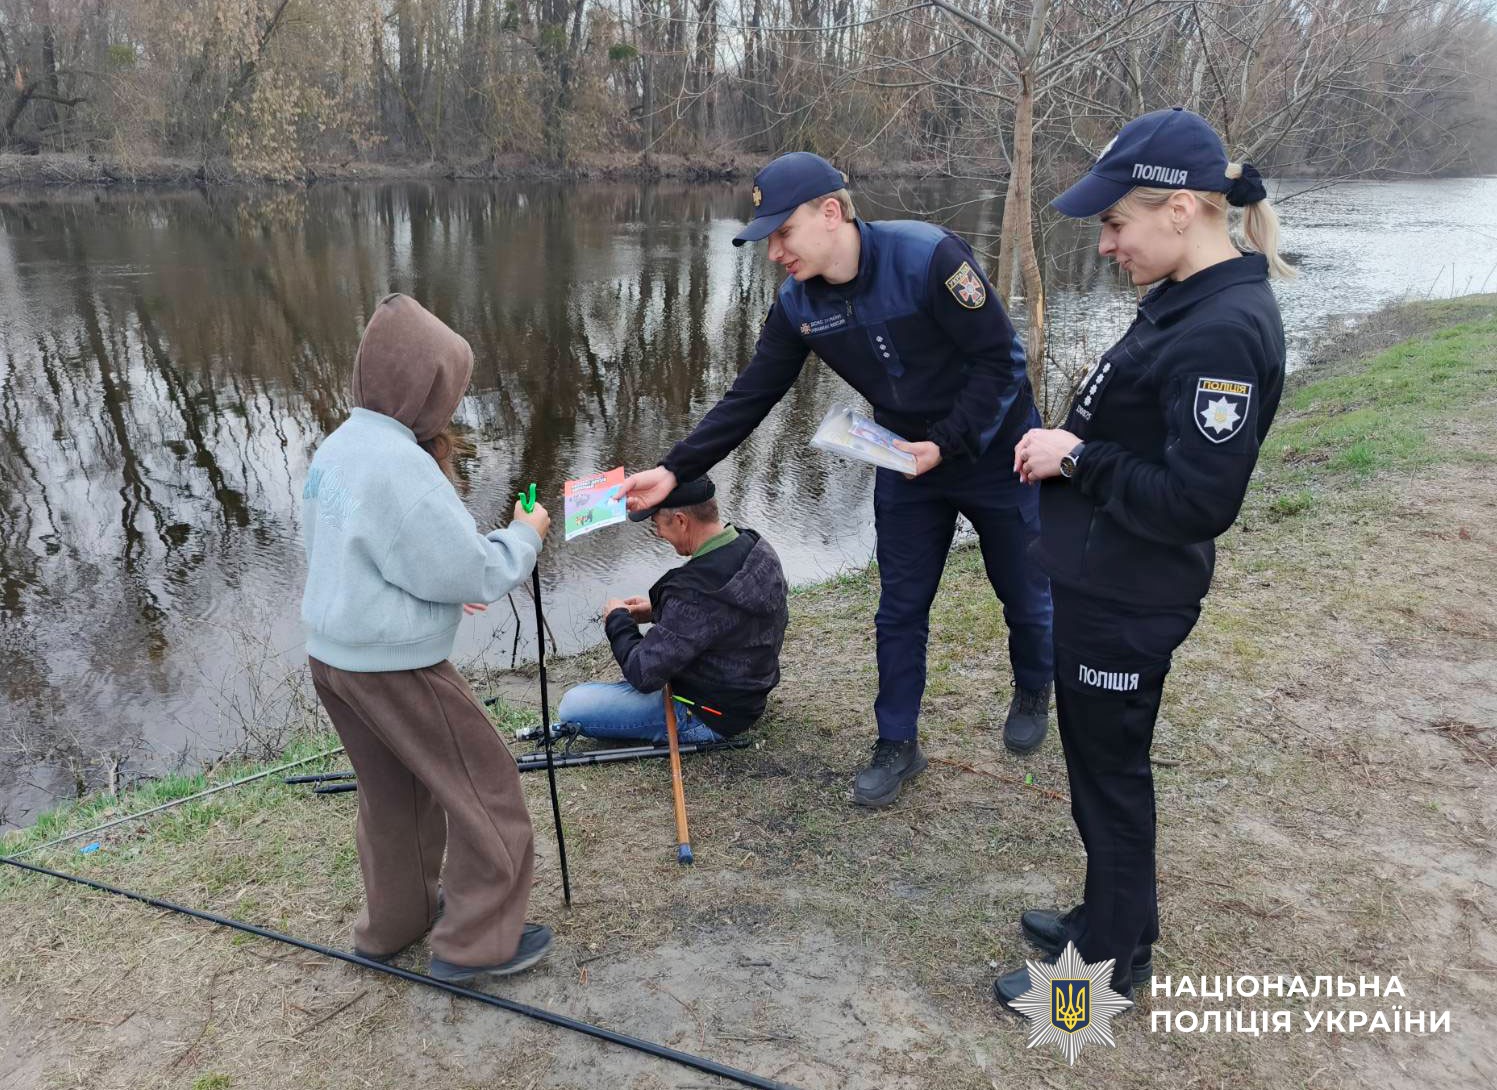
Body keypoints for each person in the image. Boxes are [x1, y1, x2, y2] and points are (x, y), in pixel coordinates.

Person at [620, 152, 1054, 808]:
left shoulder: (929, 259)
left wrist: (946, 443)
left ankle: (1033, 686)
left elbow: (1002, 361)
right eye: (768, 239)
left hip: (996, 451)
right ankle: (897, 742)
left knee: (1022, 589)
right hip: (906, 463)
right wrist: (674, 468)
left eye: (783, 233)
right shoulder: (798, 304)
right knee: (899, 607)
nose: (774, 253)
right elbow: (751, 395)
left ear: (830, 212)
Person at [993, 107, 1293, 1009]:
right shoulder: (1183, 300)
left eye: (1115, 223)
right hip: (1103, 580)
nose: (1105, 245)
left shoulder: (1221, 329)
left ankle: (1100, 975)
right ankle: (1114, 921)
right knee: (1098, 772)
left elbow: (1198, 502)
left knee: (1110, 780)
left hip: (1129, 597)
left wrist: (1076, 457)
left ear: (1181, 208)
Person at [300, 293, 554, 984]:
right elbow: (471, 571)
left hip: (334, 658)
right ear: (429, 387)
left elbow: (369, 553)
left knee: (394, 795)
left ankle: (394, 925)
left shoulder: (339, 445)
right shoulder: (400, 464)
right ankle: (476, 943)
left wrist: (443, 580)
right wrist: (525, 536)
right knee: (486, 786)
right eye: (452, 389)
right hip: (396, 666)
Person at [547, 476, 789, 746]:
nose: (658, 534)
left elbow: (643, 673)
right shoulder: (756, 547)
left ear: (681, 521)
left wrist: (617, 621)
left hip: (704, 713)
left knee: (574, 705)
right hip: (746, 698)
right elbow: (722, 617)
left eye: (657, 524)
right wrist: (657, 611)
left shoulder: (694, 591)